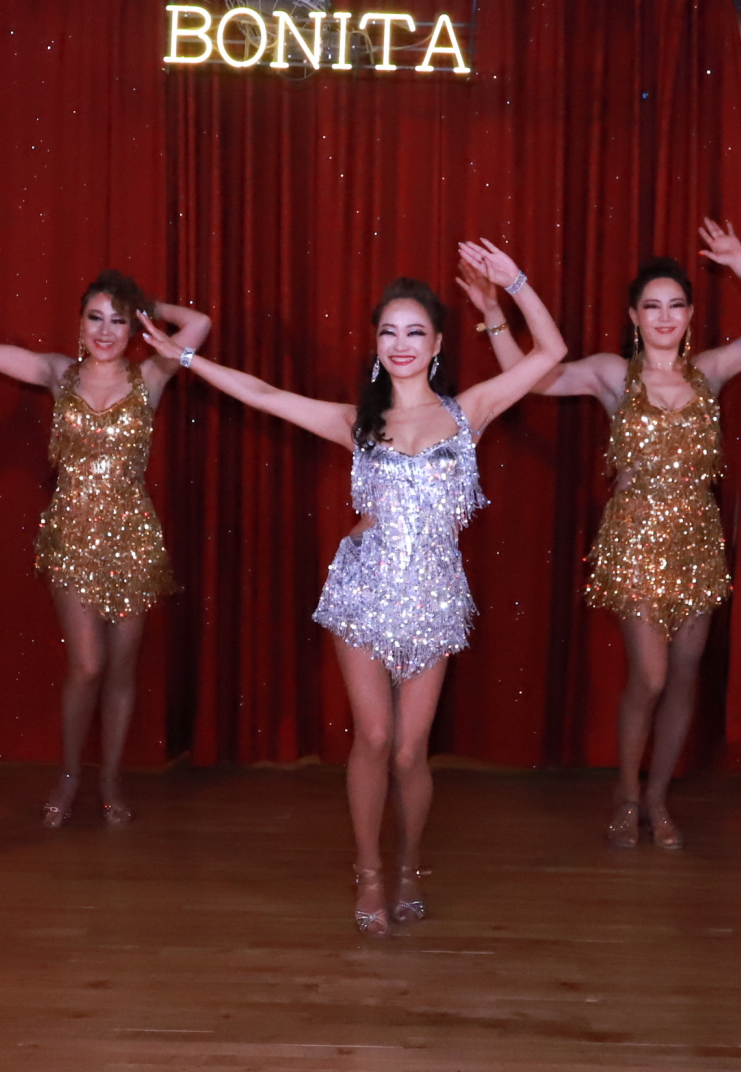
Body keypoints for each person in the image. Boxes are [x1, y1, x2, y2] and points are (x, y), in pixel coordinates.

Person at [138, 243, 566, 934]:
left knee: (410, 751)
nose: (401, 344)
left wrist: (514, 281)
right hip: (362, 591)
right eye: (389, 332)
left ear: (437, 345)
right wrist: (184, 358)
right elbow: (264, 395)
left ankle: (408, 867)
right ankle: (368, 872)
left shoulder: (469, 412)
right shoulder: (357, 423)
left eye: (415, 332)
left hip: (434, 597)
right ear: (376, 344)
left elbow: (551, 352)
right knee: (373, 735)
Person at [469, 219, 741, 850]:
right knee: (649, 674)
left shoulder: (710, 371)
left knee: (684, 676)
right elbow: (534, 378)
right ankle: (624, 793)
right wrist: (494, 314)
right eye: (652, 306)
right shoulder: (612, 373)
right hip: (634, 537)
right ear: (634, 316)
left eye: (676, 305)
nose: (665, 316)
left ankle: (656, 800)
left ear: (690, 314)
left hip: (697, 540)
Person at [0, 234, 211, 828]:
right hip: (70, 537)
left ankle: (110, 778)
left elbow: (199, 324)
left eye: (119, 319)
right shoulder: (59, 373)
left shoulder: (152, 375)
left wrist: (147, 307)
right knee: (87, 664)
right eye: (96, 317)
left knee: (121, 669)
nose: (106, 330)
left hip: (134, 539)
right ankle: (68, 775)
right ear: (80, 322)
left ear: (133, 327)